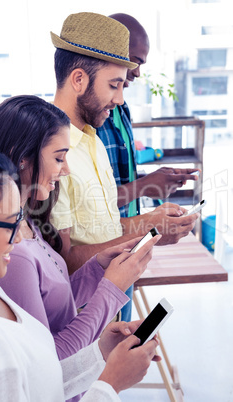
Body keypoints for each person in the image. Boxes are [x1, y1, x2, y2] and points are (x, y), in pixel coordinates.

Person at [0, 143, 161, 401]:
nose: (17, 239)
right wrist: (110, 384)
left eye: (19, 220)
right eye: (7, 225)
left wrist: (99, 355)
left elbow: (38, 384)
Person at [0, 95, 160, 364]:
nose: (65, 171)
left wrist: (98, 268)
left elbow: (57, 302)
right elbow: (49, 358)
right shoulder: (13, 253)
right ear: (22, 157)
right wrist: (112, 288)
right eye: (59, 158)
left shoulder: (28, 221)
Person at [49, 12, 199, 276]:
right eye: (113, 85)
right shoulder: (52, 153)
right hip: (83, 314)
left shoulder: (91, 139)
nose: (119, 100)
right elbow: (63, 264)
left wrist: (149, 221)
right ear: (79, 79)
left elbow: (103, 227)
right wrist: (148, 231)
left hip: (110, 303)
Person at [96, 13, 200, 321]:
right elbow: (94, 202)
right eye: (134, 61)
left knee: (120, 330)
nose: (138, 73)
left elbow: (116, 180)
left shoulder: (121, 108)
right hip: (102, 252)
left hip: (128, 245)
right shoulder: (86, 122)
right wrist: (144, 188)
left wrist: (155, 183)